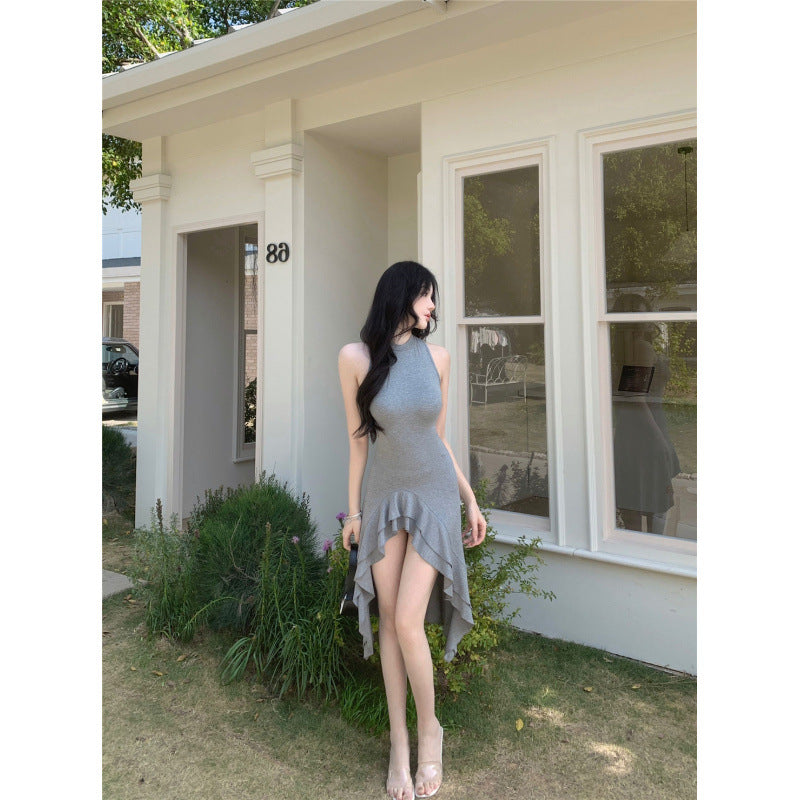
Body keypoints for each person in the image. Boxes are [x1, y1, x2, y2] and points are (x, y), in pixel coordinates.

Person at [338, 261, 487, 800]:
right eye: (428, 296)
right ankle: (398, 745)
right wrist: (354, 514)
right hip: (383, 498)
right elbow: (358, 444)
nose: (433, 307)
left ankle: (430, 732)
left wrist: (469, 499)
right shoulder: (355, 358)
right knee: (389, 622)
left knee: (406, 619)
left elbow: (438, 440)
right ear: (401, 295)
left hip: (433, 496)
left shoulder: (438, 358)